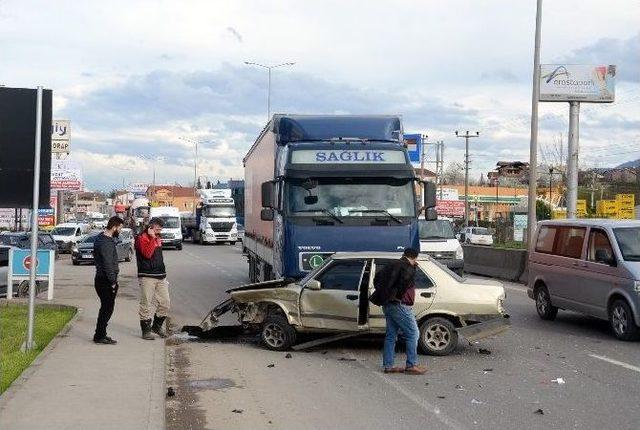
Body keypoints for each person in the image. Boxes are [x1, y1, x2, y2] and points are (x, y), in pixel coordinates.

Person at [370, 248, 426, 375]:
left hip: (388, 304)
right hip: (399, 305)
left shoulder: (392, 264)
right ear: (415, 257)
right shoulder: (407, 267)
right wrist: (398, 295)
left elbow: (377, 278)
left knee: (391, 335)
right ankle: (411, 365)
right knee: (413, 333)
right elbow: (404, 283)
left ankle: (388, 365)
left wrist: (386, 294)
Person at [135, 217, 170, 340]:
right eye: (157, 228)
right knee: (146, 304)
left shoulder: (157, 237)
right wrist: (152, 238)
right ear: (150, 226)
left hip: (161, 275)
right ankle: (146, 331)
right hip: (147, 276)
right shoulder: (141, 238)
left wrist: (155, 237)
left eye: (161, 228)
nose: (160, 230)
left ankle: (157, 326)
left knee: (165, 303)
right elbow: (147, 254)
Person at [93, 216, 125, 345]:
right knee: (107, 308)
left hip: (101, 279)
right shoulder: (106, 243)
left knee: (106, 308)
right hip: (105, 280)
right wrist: (113, 281)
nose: (120, 231)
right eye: (120, 228)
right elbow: (107, 264)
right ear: (114, 227)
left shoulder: (102, 238)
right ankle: (99, 336)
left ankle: (100, 334)